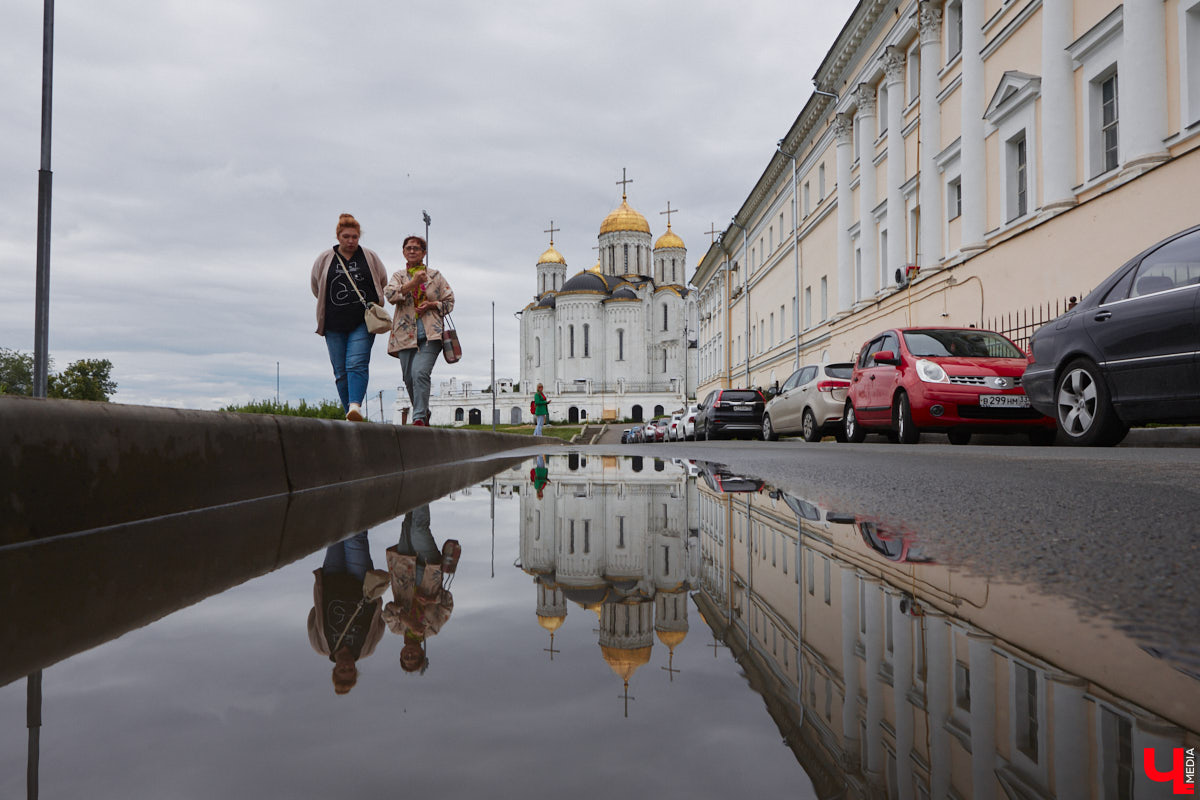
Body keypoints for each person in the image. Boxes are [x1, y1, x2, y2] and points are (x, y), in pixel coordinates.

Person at [311, 213, 389, 421]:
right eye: (346, 236)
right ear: (338, 236)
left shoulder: (369, 256)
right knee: (340, 371)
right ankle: (350, 412)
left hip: (363, 321)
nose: (351, 241)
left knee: (356, 363)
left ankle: (355, 404)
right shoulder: (325, 258)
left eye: (354, 237)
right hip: (334, 322)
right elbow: (316, 285)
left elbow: (382, 280)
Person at [384, 236, 454, 426]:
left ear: (424, 253)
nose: (412, 251)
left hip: (431, 334)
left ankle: (419, 417)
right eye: (408, 248)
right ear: (403, 252)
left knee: (420, 373)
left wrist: (432, 305)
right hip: (404, 335)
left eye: (416, 248)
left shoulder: (435, 276)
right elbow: (389, 295)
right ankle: (424, 412)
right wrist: (413, 283)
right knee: (408, 378)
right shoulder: (399, 276)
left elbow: (449, 302)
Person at [307, 531, 386, 695]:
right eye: (350, 670)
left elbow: (313, 616)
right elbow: (379, 623)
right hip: (361, 582)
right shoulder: (367, 648)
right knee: (356, 538)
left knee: (335, 535)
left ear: (334, 670)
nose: (346, 666)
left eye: (342, 670)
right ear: (355, 670)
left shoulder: (320, 646)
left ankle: (336, 505)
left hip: (332, 579)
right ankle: (357, 505)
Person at [382, 504, 455, 673]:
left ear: (401, 653)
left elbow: (387, 610)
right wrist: (432, 600)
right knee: (419, 530)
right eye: (413, 657)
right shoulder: (433, 629)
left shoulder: (396, 628)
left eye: (405, 657)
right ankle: (424, 490)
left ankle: (411, 484)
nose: (409, 654)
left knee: (407, 523)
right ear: (422, 652)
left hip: (403, 570)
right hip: (428, 573)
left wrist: (407, 621)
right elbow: (448, 602)